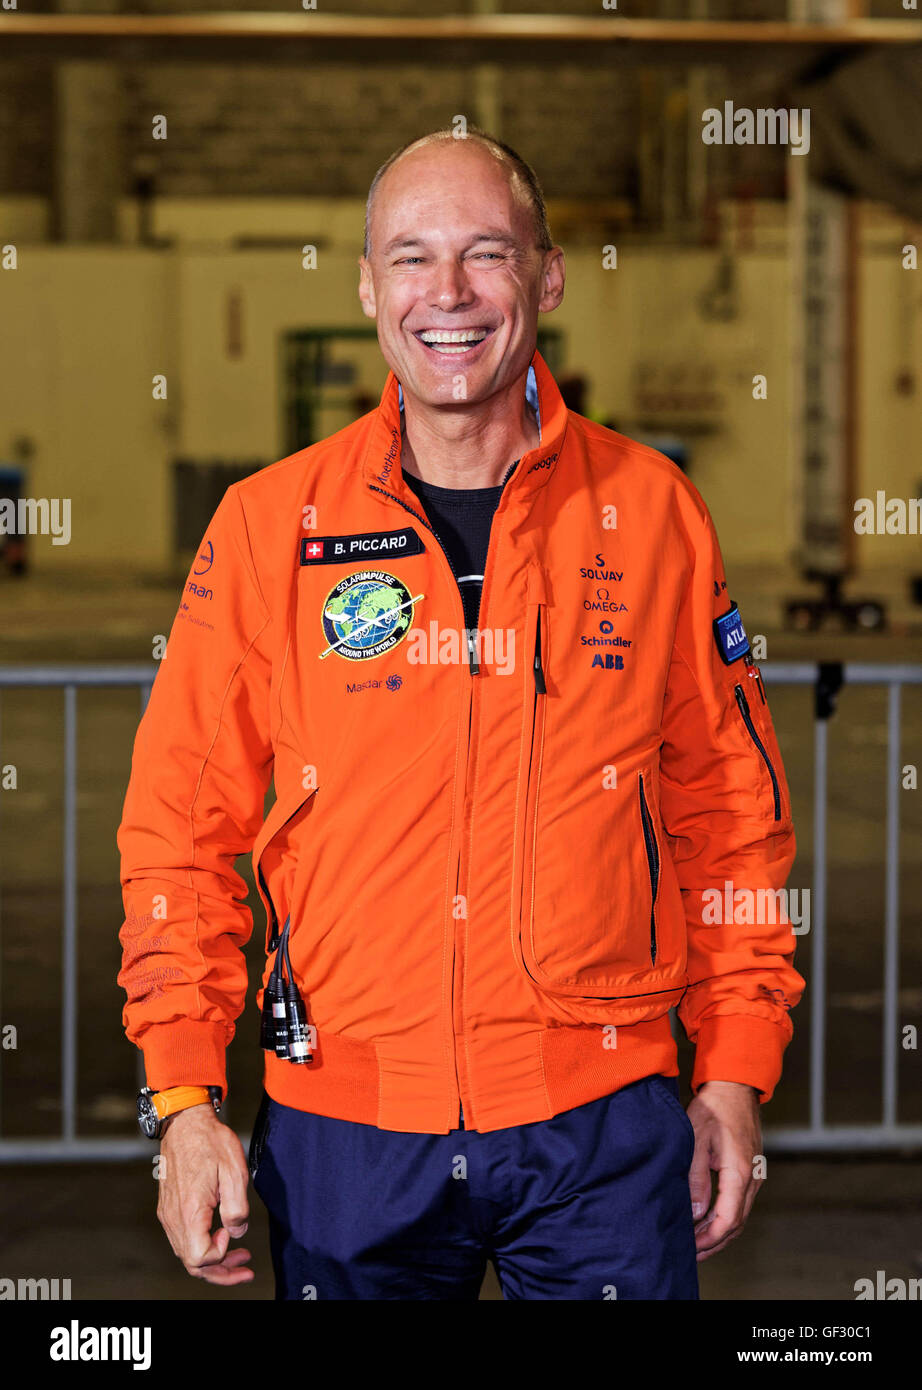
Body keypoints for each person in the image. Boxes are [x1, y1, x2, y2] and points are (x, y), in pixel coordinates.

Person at [117, 127, 803, 1301]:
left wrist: (734, 1069)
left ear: (546, 276)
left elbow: (733, 822)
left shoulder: (652, 516)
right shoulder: (269, 527)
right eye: (412, 257)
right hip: (346, 1131)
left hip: (598, 1126)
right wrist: (183, 1101)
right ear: (369, 288)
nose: (448, 293)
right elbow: (178, 835)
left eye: (485, 253)